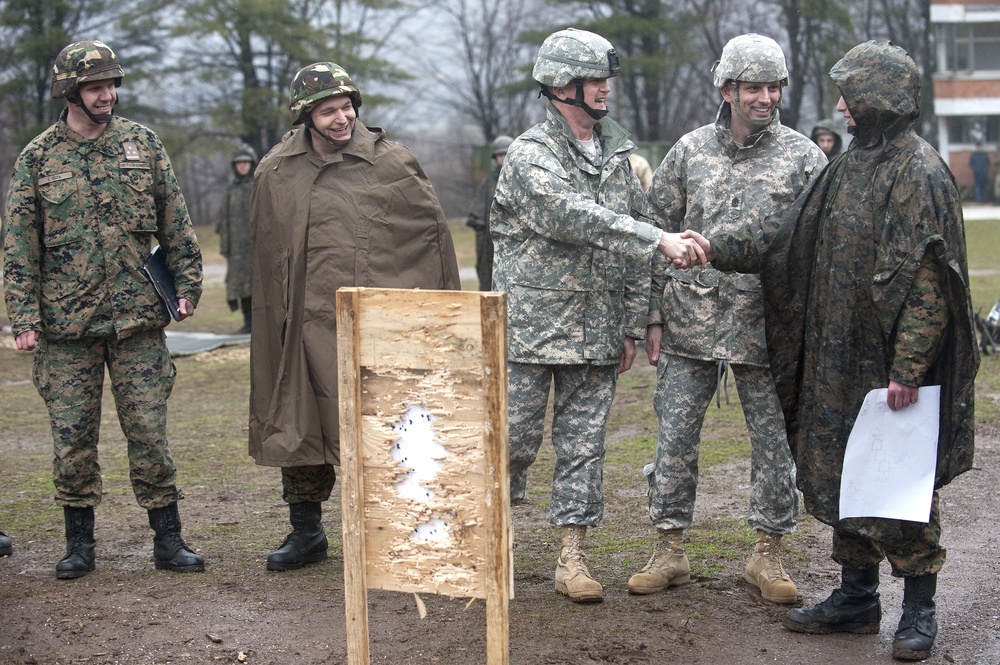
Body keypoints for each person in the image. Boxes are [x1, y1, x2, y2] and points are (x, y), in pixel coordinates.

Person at [698, 41, 978, 661]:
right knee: (847, 473)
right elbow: (786, 235)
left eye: (851, 94)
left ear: (877, 97)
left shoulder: (918, 172)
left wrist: (908, 368)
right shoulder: (851, 166)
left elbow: (930, 280)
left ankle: (919, 609)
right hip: (836, 356)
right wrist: (714, 245)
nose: (842, 107)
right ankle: (857, 597)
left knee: (898, 484)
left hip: (886, 366)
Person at [491, 27, 705, 604]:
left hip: (597, 333)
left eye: (606, 79)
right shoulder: (529, 155)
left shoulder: (618, 154)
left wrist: (639, 320)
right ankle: (495, 543)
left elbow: (633, 251)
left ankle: (572, 557)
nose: (606, 89)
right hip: (530, 334)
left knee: (584, 448)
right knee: (512, 444)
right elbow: (569, 215)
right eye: (595, 79)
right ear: (563, 86)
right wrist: (656, 238)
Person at [628, 33, 827, 606]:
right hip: (690, 324)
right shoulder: (689, 152)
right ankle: (669, 548)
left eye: (774, 88)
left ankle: (767, 552)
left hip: (767, 328)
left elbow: (816, 245)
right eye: (754, 88)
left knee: (774, 446)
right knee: (674, 441)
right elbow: (653, 234)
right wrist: (653, 315)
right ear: (727, 90)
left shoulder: (803, 157)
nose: (766, 98)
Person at [2, 40, 205, 579]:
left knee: (149, 432)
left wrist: (188, 284)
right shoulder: (39, 158)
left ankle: (169, 539)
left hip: (138, 320)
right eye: (95, 87)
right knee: (71, 439)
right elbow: (19, 244)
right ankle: (79, 544)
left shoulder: (142, 144)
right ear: (70, 91)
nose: (106, 95)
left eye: (111, 85)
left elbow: (175, 220)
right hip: (67, 326)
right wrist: (22, 317)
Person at [249, 62, 462, 572]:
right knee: (302, 419)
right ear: (307, 117)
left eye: (346, 108)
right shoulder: (277, 170)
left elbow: (429, 242)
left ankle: (401, 530)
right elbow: (267, 253)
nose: (341, 118)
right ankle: (306, 532)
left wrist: (438, 315)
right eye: (328, 111)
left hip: (375, 326)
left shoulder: (391, 163)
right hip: (303, 321)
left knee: (389, 424)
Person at [218, 144, 257, 333]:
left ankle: (257, 323)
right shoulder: (231, 190)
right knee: (239, 286)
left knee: (257, 285)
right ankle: (247, 322)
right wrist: (225, 247)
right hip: (236, 250)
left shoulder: (258, 186)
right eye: (239, 163)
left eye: (246, 162)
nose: (242, 166)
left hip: (256, 248)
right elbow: (223, 221)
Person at [466, 135, 513, 291]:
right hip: (490, 244)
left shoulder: (520, 179)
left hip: (515, 241)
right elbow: (476, 216)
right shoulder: (489, 183)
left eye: (507, 154)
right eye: (500, 155)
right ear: (495, 157)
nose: (504, 158)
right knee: (489, 284)